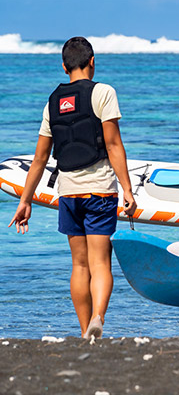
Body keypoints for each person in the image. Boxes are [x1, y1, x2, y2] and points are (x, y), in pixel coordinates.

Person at [9, 37, 137, 339]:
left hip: (67, 194)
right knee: (99, 262)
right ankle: (98, 318)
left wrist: (25, 201)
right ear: (92, 61)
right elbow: (113, 143)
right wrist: (128, 189)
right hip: (100, 191)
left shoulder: (52, 103)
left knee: (79, 264)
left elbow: (40, 158)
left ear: (63, 66)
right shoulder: (103, 92)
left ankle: (83, 333)